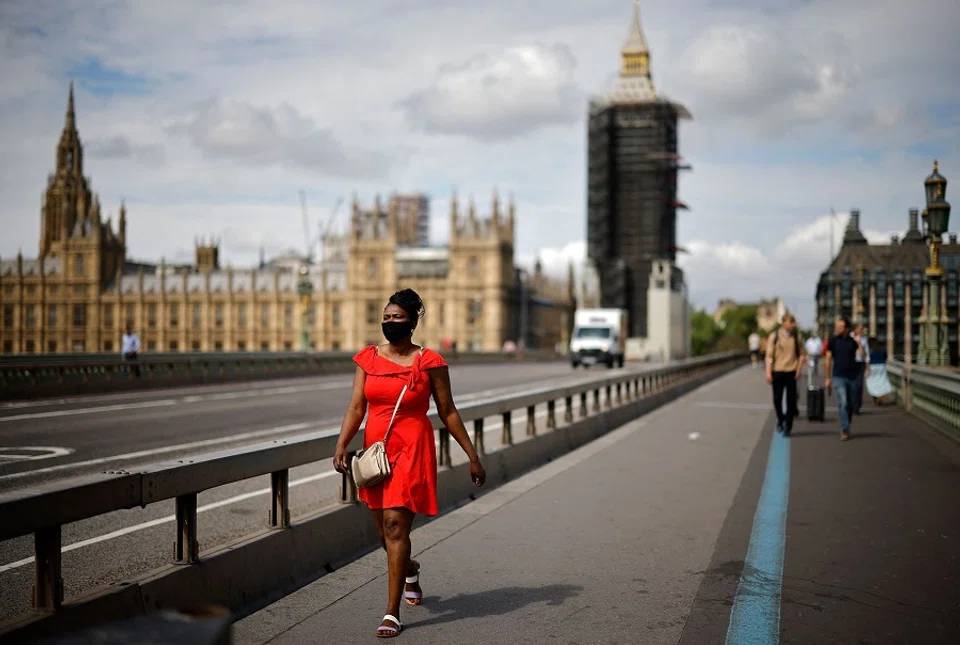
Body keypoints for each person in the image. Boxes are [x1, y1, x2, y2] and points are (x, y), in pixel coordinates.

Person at [332, 288, 487, 638]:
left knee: (395, 526)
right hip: (377, 453)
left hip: (413, 449)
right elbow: (357, 407)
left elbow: (447, 411)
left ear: (413, 321)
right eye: (385, 317)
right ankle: (410, 568)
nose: (389, 322)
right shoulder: (367, 359)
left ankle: (391, 612)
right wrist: (342, 442)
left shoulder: (429, 362)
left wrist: (472, 456)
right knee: (384, 534)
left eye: (396, 317)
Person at [824, 316, 867, 441]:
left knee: (850, 405)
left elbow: (862, 355)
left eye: (841, 327)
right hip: (838, 375)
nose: (838, 328)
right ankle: (845, 428)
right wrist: (827, 378)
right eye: (837, 326)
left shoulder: (853, 341)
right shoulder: (833, 340)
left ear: (847, 329)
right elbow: (827, 359)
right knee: (842, 402)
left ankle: (846, 423)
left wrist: (859, 343)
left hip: (853, 376)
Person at [764, 313, 805, 436]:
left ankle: (788, 426)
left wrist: (798, 370)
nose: (792, 325)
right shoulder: (774, 336)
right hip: (777, 371)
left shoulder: (796, 336)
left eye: (793, 323)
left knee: (791, 400)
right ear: (783, 323)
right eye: (790, 322)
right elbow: (769, 356)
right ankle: (780, 419)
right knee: (777, 399)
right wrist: (768, 372)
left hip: (791, 371)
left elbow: (802, 354)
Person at [865, 336, 893, 404]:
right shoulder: (882, 349)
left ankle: (874, 398)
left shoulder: (868, 350)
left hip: (871, 366)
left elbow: (866, 359)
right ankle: (881, 395)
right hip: (881, 366)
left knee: (871, 383)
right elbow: (885, 357)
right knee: (882, 381)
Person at [852, 322, 871, 414]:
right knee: (851, 385)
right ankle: (851, 404)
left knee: (859, 386)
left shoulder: (864, 340)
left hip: (860, 364)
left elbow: (866, 355)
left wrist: (868, 367)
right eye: (860, 328)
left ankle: (857, 406)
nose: (861, 330)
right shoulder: (849, 337)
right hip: (851, 363)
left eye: (862, 329)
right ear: (855, 329)